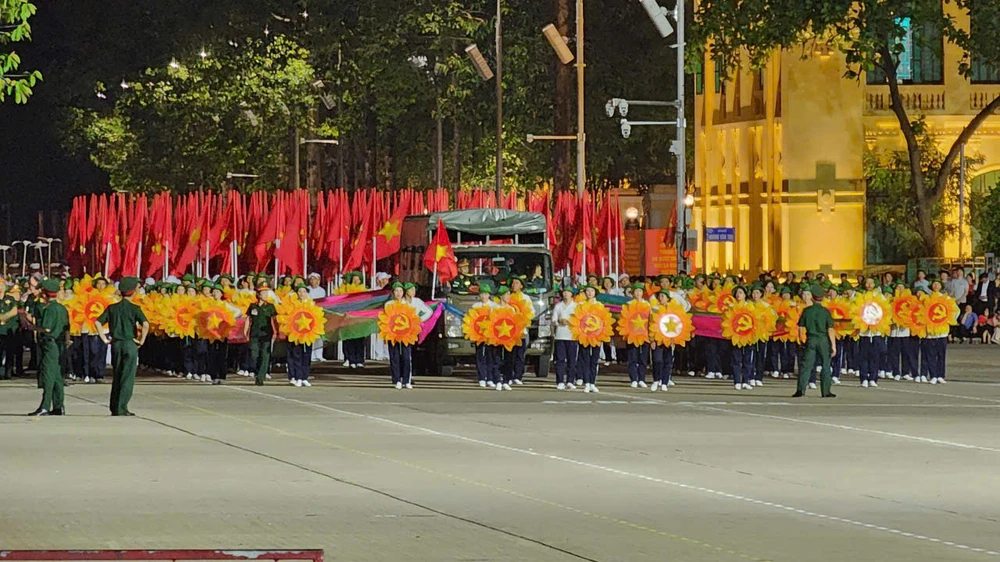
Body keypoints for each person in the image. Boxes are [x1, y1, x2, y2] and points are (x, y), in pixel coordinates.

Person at [96, 277, 149, 416]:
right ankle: (122, 407)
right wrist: (141, 340)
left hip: (116, 344)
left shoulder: (112, 308)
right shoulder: (135, 308)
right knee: (127, 376)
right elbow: (145, 324)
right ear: (133, 292)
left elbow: (97, 322)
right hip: (129, 343)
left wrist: (104, 339)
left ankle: (114, 406)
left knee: (117, 374)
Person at [28, 279, 69, 416]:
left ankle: (45, 405)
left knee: (48, 375)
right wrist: (67, 341)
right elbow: (67, 328)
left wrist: (33, 327)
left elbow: (46, 328)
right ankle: (58, 405)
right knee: (57, 375)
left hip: (49, 344)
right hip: (60, 343)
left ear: (45, 293)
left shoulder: (49, 309)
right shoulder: (62, 308)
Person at [793, 283, 837, 398]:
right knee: (825, 365)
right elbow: (830, 330)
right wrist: (833, 345)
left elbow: (801, 327)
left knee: (806, 365)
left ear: (812, 297)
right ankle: (826, 391)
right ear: (822, 298)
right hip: (823, 340)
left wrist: (801, 339)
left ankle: (800, 390)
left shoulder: (806, 311)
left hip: (811, 339)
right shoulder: (826, 312)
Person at [244, 282, 278, 386]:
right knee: (254, 355)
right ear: (258, 294)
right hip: (254, 333)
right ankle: (257, 371)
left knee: (265, 355)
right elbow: (248, 318)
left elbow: (275, 320)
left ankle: (260, 376)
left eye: (266, 293)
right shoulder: (253, 306)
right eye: (263, 293)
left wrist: (276, 332)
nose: (266, 295)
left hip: (266, 334)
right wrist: (245, 330)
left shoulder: (270, 307)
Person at [386, 282, 415, 389]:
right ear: (393, 292)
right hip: (393, 334)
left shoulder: (407, 305)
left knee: (406, 357)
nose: (398, 293)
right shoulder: (388, 304)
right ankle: (397, 379)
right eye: (396, 291)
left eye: (400, 291)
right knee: (395, 357)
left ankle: (407, 380)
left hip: (406, 334)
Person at [921, 279, 950, 384]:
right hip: (930, 332)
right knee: (931, 355)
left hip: (942, 331)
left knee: (941, 355)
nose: (936, 286)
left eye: (938, 284)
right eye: (934, 284)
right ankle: (933, 375)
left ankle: (941, 375)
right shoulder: (927, 298)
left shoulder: (946, 298)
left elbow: (955, 311)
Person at [470, 284, 499, 388]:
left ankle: (490, 378)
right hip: (478, 335)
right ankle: (482, 377)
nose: (483, 296)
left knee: (490, 357)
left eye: (485, 294)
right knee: (480, 356)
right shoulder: (475, 306)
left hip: (490, 336)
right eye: (481, 294)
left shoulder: (494, 306)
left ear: (489, 295)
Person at [578, 284, 605, 393]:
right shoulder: (581, 305)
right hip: (584, 336)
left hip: (596, 336)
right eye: (587, 291)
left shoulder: (600, 305)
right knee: (585, 360)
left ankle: (593, 382)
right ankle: (587, 383)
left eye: (591, 291)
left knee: (594, 360)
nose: (589, 293)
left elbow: (603, 320)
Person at [286, 284, 314, 387]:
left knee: (307, 356)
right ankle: (297, 377)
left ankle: (305, 377)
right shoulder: (293, 304)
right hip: (296, 334)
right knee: (297, 356)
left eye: (304, 292)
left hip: (308, 334)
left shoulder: (311, 304)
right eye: (300, 292)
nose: (302, 294)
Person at [551, 285, 578, 390]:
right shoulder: (558, 306)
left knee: (571, 360)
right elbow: (553, 319)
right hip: (560, 336)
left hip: (572, 336)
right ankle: (560, 381)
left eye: (568, 292)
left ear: (572, 294)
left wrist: (570, 322)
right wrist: (559, 322)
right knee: (560, 360)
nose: (566, 294)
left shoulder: (576, 306)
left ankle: (571, 380)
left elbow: (580, 320)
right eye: (564, 292)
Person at [625, 283, 650, 389]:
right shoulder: (628, 304)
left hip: (645, 334)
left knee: (643, 358)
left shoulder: (648, 305)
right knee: (632, 358)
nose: (638, 293)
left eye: (640, 291)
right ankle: (634, 379)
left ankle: (642, 379)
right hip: (632, 334)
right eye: (636, 291)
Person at [730, 285, 754, 391]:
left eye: (741, 292)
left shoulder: (751, 306)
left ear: (745, 294)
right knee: (736, 359)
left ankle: (745, 380)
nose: (738, 294)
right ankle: (737, 381)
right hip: (736, 336)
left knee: (747, 359)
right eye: (737, 293)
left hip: (748, 336)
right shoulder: (732, 306)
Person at [649, 289, 674, 392]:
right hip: (657, 338)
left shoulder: (673, 310)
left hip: (669, 339)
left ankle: (665, 382)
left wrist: (674, 339)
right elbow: (650, 324)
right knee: (657, 360)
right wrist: (652, 339)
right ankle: (656, 380)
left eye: (663, 296)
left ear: (668, 298)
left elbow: (678, 325)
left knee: (668, 361)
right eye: (660, 296)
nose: (661, 298)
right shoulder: (654, 309)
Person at [0, 280, 19, 380]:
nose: (0, 287)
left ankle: (8, 372)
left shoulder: (10, 298)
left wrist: (4, 316)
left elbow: (14, 311)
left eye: (2, 285)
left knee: (9, 352)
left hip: (8, 329)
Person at [306, 273, 327, 362]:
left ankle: (319, 354)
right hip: (309, 315)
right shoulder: (307, 290)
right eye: (312, 279)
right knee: (310, 335)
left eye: (315, 279)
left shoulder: (322, 290)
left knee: (319, 335)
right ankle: (311, 355)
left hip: (319, 315)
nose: (313, 281)